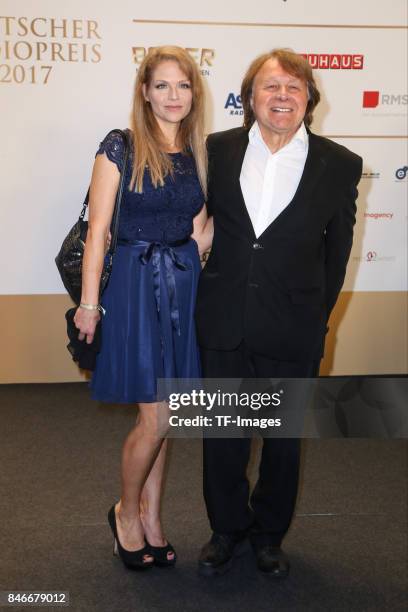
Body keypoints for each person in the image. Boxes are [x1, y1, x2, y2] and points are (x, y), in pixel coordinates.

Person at [195, 48, 362, 577]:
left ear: (310, 97)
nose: (282, 96)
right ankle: (226, 529)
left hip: (294, 326)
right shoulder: (215, 151)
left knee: (283, 443)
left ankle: (269, 535)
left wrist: (315, 317)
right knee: (222, 436)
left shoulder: (340, 165)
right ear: (249, 98)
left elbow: (336, 256)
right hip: (223, 320)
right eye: (270, 87)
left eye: (294, 86)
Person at [74, 46, 212, 570]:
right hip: (134, 283)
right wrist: (90, 303)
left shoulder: (198, 152)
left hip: (182, 282)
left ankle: (153, 517)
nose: (173, 96)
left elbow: (200, 229)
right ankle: (125, 513)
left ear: (193, 93)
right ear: (144, 91)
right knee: (156, 415)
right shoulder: (121, 146)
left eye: (182, 86)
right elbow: (98, 231)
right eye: (162, 85)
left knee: (168, 412)